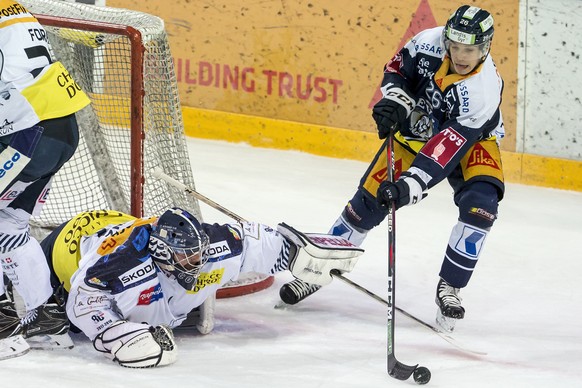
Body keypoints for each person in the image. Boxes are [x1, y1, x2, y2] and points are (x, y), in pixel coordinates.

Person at [280, 5, 504, 332]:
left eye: (469, 49)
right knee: (365, 206)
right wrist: (395, 102)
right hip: (415, 131)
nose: (459, 54)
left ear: (485, 47)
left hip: (472, 140)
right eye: (454, 46)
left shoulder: (483, 90)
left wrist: (411, 186)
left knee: (481, 206)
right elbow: (397, 70)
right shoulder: (429, 41)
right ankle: (319, 269)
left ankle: (450, 287)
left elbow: (444, 150)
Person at [28, 208, 361, 367]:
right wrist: (118, 335)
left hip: (119, 221)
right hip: (67, 248)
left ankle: (175, 308)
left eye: (198, 253)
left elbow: (260, 242)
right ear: (162, 254)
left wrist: (300, 253)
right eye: (187, 257)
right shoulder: (121, 261)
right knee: (59, 320)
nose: (197, 261)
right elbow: (83, 301)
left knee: (172, 302)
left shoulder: (211, 244)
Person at [0, 1, 91, 347]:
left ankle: (1, 322)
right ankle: (45, 316)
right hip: (60, 129)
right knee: (8, 223)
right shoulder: (13, 6)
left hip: (27, 131)